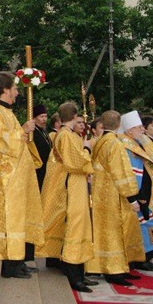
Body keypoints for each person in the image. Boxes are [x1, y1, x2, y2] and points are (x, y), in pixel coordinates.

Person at [0, 71, 44, 279]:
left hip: (18, 177)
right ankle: (10, 265)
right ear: (5, 90)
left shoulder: (6, 112)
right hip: (7, 178)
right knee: (11, 221)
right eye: (14, 88)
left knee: (20, 219)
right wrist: (22, 131)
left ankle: (19, 260)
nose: (17, 92)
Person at [37, 101, 95, 293]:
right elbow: (75, 163)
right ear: (73, 116)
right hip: (70, 187)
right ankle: (74, 276)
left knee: (80, 227)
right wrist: (87, 148)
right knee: (74, 229)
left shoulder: (68, 135)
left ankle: (80, 272)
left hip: (76, 185)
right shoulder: (65, 136)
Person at [85, 110, 145, 287]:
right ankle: (115, 270)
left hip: (100, 193)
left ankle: (112, 267)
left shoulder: (100, 141)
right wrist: (132, 198)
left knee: (104, 232)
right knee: (115, 232)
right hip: (114, 194)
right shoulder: (115, 144)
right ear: (119, 125)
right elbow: (122, 173)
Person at [120, 111, 153, 270]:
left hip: (149, 191)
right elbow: (131, 172)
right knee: (143, 226)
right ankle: (141, 259)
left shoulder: (140, 142)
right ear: (130, 130)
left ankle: (147, 256)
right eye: (139, 127)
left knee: (149, 224)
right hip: (138, 193)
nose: (142, 129)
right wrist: (139, 195)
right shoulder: (126, 146)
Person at [31, 104, 53, 190]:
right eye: (41, 117)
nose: (44, 119)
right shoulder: (32, 133)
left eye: (45, 116)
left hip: (47, 167)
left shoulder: (44, 131)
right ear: (34, 118)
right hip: (38, 169)